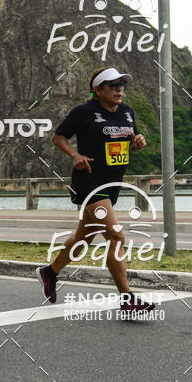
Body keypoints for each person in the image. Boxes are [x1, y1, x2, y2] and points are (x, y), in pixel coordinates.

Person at [36, 66, 155, 317]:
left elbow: (130, 140)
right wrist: (75, 155)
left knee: (84, 239)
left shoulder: (126, 112)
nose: (119, 89)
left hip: (113, 182)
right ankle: (127, 299)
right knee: (116, 236)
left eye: (122, 85)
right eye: (113, 85)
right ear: (98, 90)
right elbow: (58, 137)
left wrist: (138, 142)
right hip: (89, 181)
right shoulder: (84, 112)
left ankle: (50, 272)